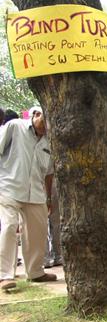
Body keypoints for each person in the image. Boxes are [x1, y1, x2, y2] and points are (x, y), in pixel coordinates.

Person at [0, 106, 58, 291]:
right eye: (43, 121)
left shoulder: (49, 142)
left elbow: (49, 174)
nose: (45, 126)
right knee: (9, 227)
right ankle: (5, 275)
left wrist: (48, 198)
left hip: (36, 193)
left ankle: (35, 272)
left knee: (38, 231)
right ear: (35, 115)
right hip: (9, 187)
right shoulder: (14, 127)